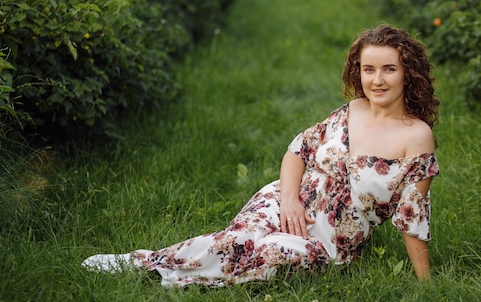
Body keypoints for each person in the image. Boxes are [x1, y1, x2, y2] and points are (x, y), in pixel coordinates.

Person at [82, 24, 440, 287]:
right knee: (239, 241)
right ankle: (140, 263)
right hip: (285, 201)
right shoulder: (353, 109)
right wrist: (288, 200)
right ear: (358, 72)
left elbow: (412, 217)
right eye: (369, 69)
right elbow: (297, 150)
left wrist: (426, 285)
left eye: (389, 69)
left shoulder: (416, 137)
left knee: (267, 252)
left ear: (408, 73)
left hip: (327, 244)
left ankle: (166, 272)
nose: (377, 80)